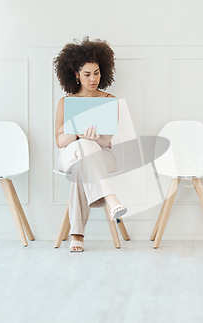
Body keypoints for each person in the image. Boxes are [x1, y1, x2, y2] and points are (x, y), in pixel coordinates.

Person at [54, 37, 127, 252]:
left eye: (96, 73)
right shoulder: (65, 102)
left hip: (101, 155)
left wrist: (95, 139)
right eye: (87, 74)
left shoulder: (108, 99)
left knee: (83, 161)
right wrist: (77, 133)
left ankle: (77, 234)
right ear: (76, 74)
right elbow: (59, 142)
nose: (93, 78)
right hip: (70, 154)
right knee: (82, 147)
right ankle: (111, 199)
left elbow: (107, 141)